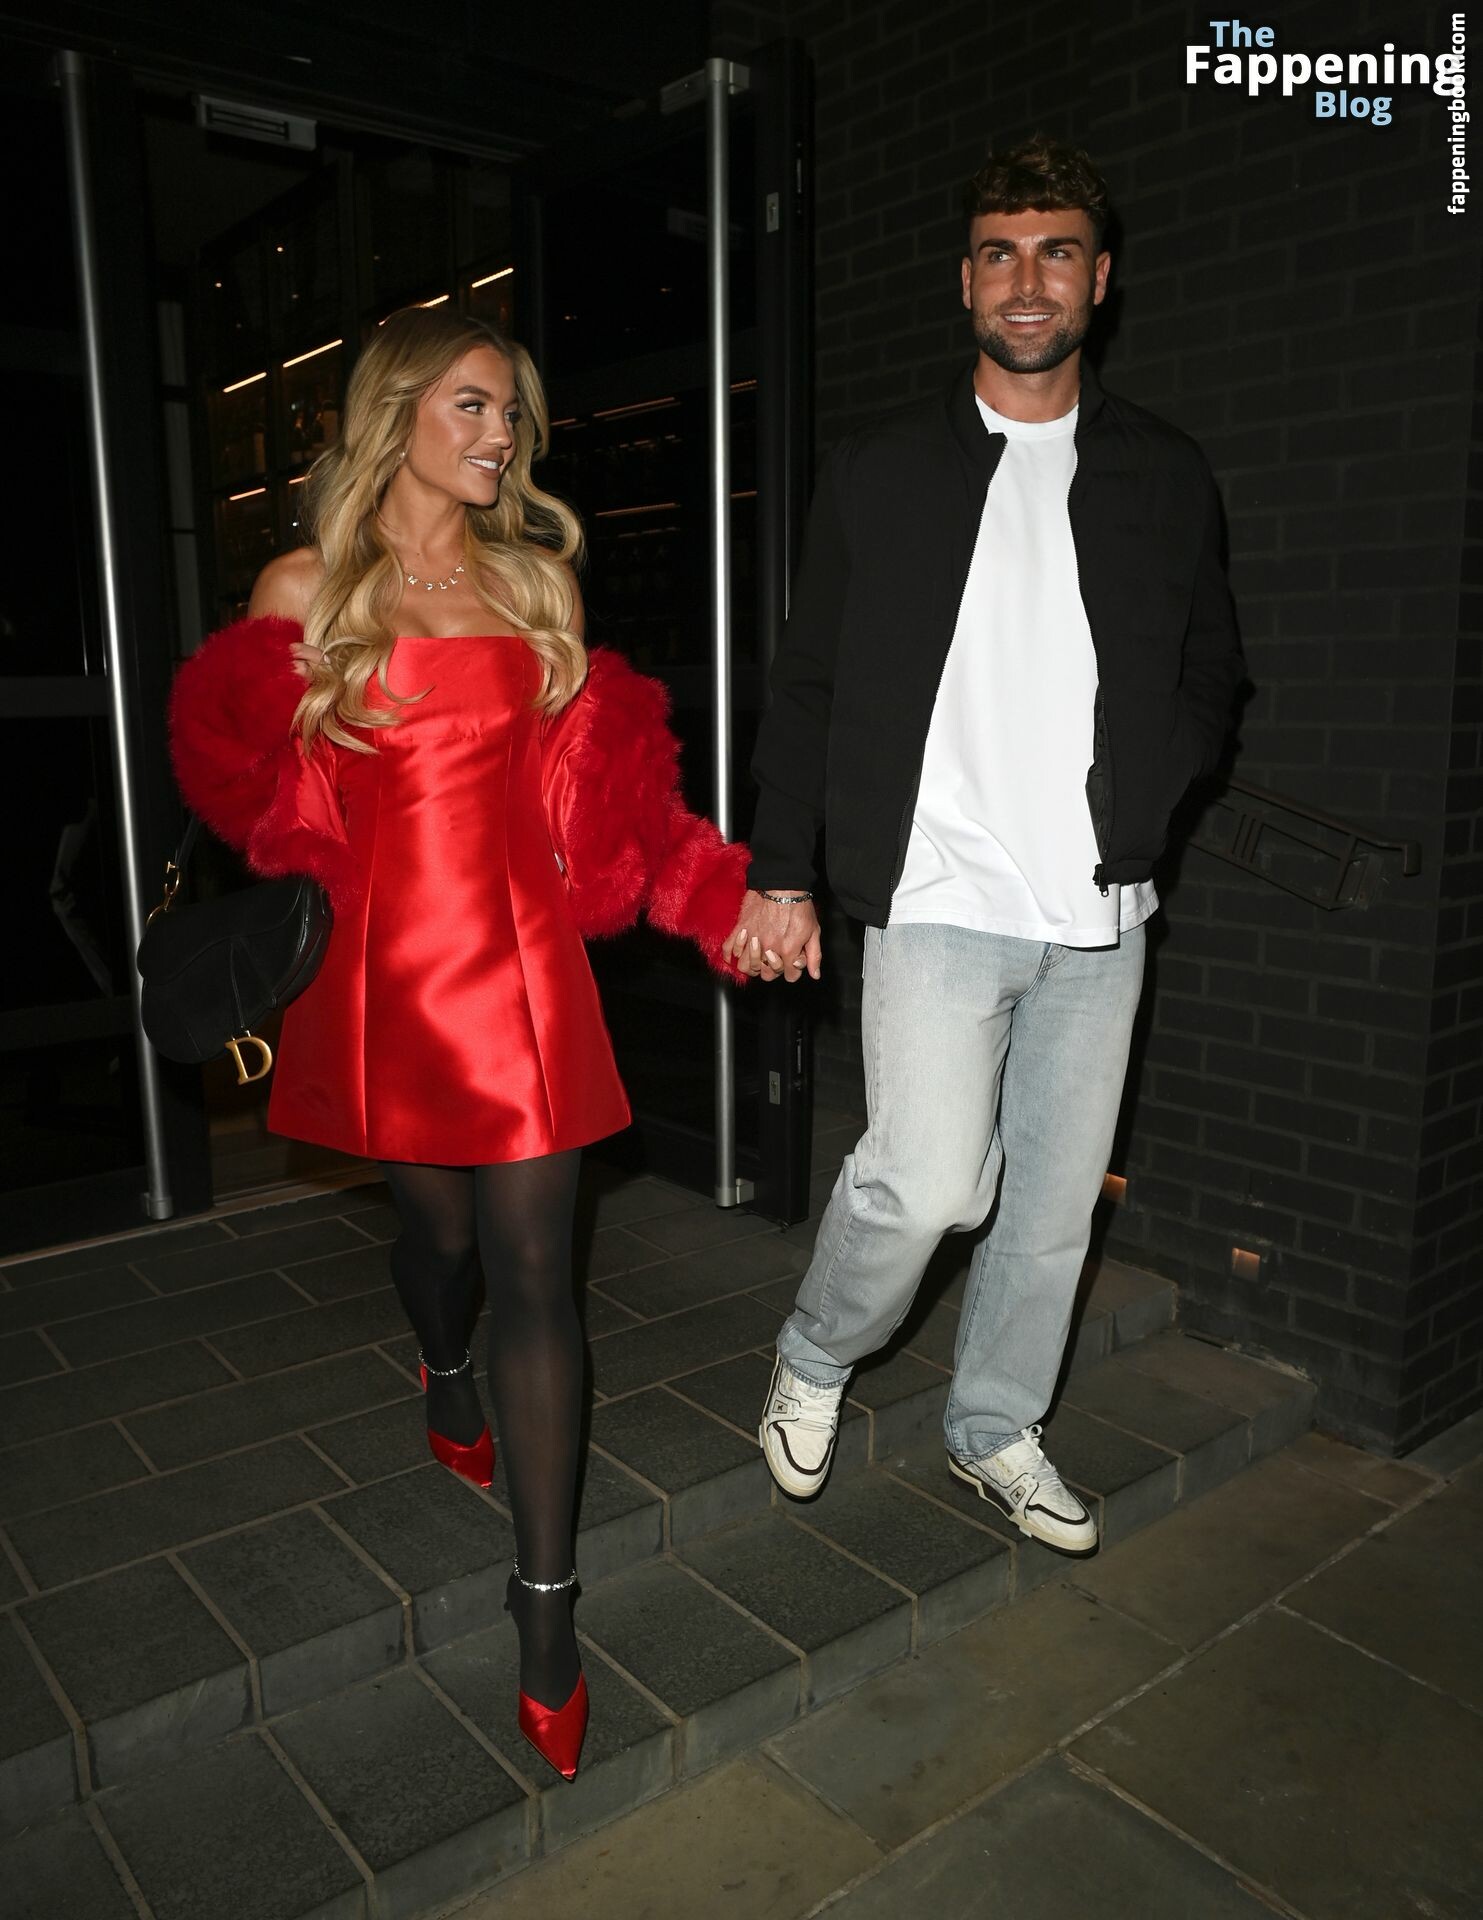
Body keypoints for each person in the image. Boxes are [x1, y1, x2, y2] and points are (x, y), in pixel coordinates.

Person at [170, 307, 748, 1778]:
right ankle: (441, 1361)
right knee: (439, 1244)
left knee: (538, 1268)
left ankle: (546, 1608)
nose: (504, 436)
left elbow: (606, 797)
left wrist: (714, 893)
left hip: (528, 971)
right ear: (401, 413)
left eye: (512, 414)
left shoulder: (534, 582)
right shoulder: (305, 588)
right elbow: (243, 789)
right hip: (387, 981)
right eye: (477, 407)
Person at [731, 135, 1243, 1555]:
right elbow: (811, 680)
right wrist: (782, 866)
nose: (1029, 281)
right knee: (932, 1181)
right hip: (939, 892)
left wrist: (1157, 791)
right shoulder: (884, 469)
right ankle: (817, 1352)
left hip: (1102, 910)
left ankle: (995, 1425)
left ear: (1100, 278)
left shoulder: (1164, 473)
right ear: (965, 282)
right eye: (1001, 254)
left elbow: (1212, 665)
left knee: (1057, 1207)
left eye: (1057, 251)